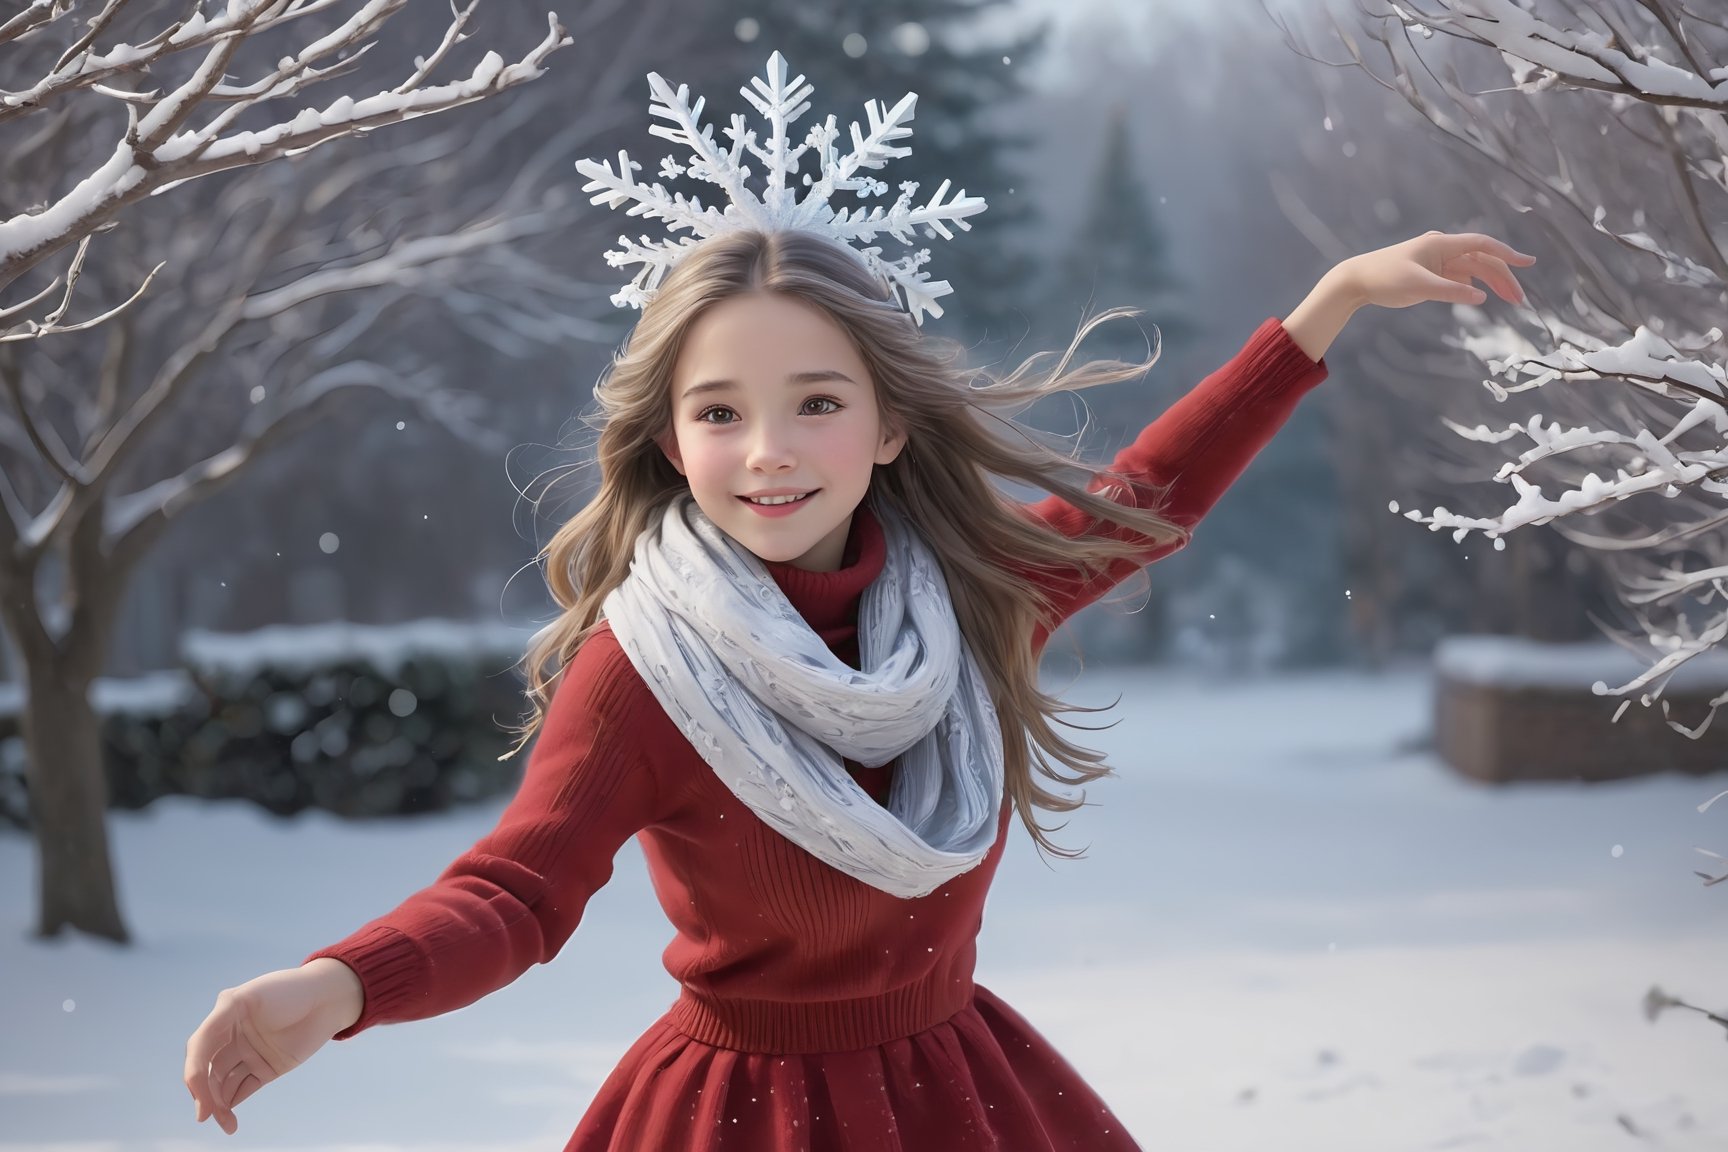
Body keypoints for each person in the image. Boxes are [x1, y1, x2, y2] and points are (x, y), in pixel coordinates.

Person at [183, 52, 1534, 1151]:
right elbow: (515, 893)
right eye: (720, 412)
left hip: (965, 1094)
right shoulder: (645, 670)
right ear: (668, 440)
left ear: (889, 427)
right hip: (736, 1121)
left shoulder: (968, 602)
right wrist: (346, 984)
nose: (768, 448)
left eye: (816, 403)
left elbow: (1142, 500)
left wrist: (1331, 305)